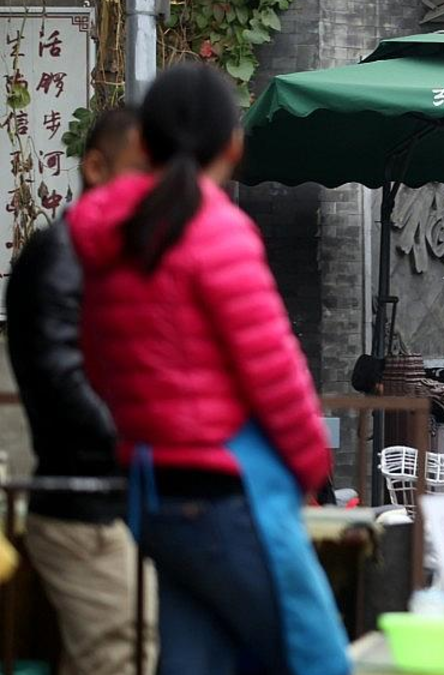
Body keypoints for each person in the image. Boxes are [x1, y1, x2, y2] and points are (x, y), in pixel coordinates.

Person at [67, 64, 349, 675]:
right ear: (233, 145)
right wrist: (312, 467)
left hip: (152, 492)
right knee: (316, 659)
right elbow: (275, 373)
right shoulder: (216, 230)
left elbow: (95, 364)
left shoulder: (97, 235)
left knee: (196, 661)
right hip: (226, 495)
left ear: (141, 143)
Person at [6, 108, 158, 675]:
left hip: (105, 500)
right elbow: (60, 380)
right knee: (120, 653)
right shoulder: (61, 255)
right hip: (81, 503)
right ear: (95, 167)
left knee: (123, 650)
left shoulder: (103, 260)